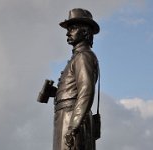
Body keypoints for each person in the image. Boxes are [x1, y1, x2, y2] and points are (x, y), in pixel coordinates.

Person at [53, 8, 100, 150]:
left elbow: (86, 92)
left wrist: (73, 125)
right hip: (67, 116)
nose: (68, 33)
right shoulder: (77, 57)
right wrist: (54, 92)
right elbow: (72, 90)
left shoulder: (83, 56)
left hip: (72, 116)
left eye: (72, 28)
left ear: (85, 31)